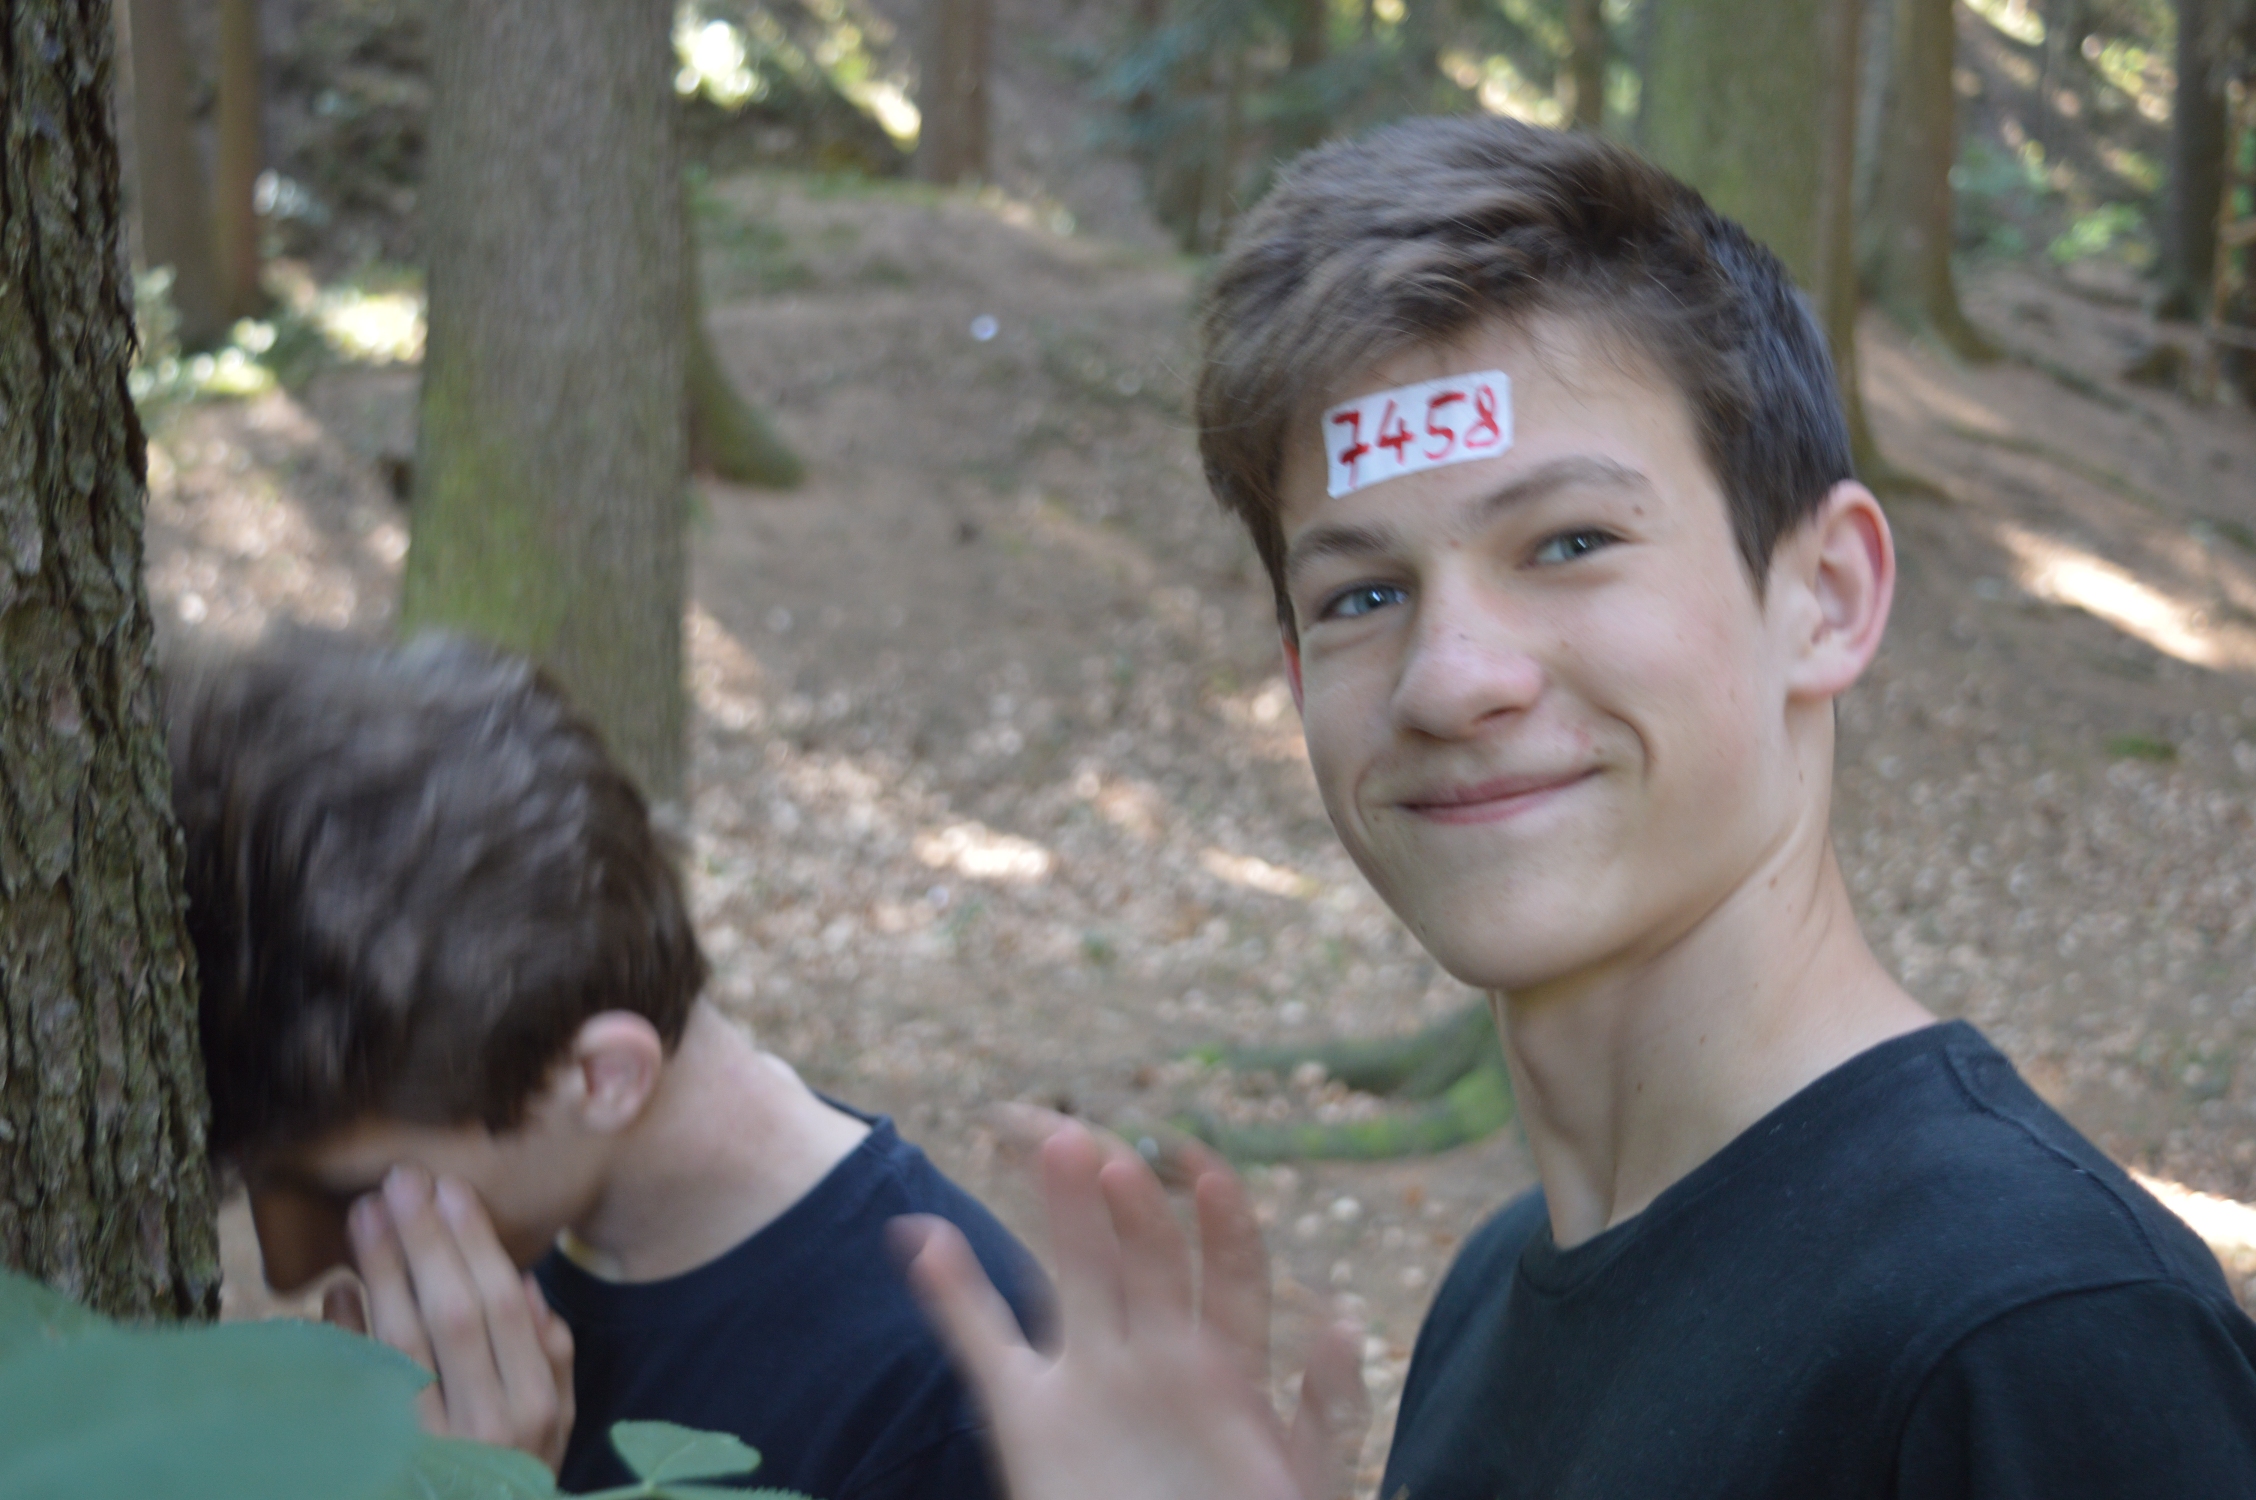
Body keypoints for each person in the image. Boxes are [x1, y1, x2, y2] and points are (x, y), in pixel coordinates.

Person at [901, 114, 2256, 1497]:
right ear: (1299, 676)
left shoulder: (2034, 1335)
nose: (1448, 681)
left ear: (1826, 597)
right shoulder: (1493, 1298)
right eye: (1363, 595)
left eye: (1568, 542)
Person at [170, 630, 1045, 1499]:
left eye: (354, 1194)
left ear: (601, 1079)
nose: (284, 1269)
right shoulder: (531, 1223)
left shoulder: (951, 1404)